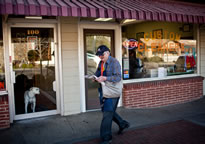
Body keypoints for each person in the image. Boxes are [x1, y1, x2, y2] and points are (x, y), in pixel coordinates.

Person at [95, 45, 130, 144]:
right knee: (107, 111)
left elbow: (118, 77)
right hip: (103, 90)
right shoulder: (101, 63)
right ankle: (122, 124)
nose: (100, 57)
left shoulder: (114, 62)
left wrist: (105, 78)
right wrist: (94, 77)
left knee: (107, 113)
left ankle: (106, 138)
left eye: (102, 54)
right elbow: (98, 73)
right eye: (99, 55)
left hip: (112, 92)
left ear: (107, 53)